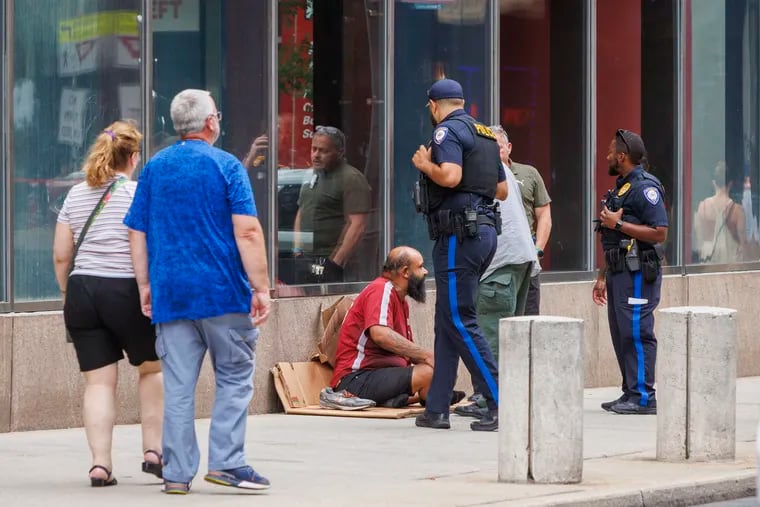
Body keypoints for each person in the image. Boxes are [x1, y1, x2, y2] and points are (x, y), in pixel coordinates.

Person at [124, 89, 272, 494]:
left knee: (178, 385)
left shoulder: (154, 167)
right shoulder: (226, 166)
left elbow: (136, 230)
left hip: (172, 294)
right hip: (223, 293)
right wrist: (261, 287)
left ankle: (176, 473)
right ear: (210, 122)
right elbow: (247, 230)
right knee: (235, 377)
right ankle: (227, 462)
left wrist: (145, 285)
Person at [52, 120, 163, 487]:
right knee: (151, 369)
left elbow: (61, 256)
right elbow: (149, 247)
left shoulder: (75, 195)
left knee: (99, 384)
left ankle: (100, 465)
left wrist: (69, 295)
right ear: (133, 158)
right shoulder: (137, 193)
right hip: (126, 289)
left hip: (82, 291)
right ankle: (154, 451)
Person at [411, 78, 506, 432]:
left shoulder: (446, 132)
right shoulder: (484, 134)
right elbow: (502, 190)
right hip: (482, 233)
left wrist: (426, 165)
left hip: (458, 236)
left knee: (460, 318)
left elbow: (449, 176)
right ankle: (437, 408)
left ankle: (499, 401)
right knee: (447, 320)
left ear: (434, 106)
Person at [455, 125, 539, 419]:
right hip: (521, 264)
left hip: (499, 267)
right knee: (509, 337)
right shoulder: (504, 170)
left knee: (490, 337)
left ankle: (488, 401)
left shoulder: (481, 169)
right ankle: (508, 397)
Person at [592, 129, 668, 415]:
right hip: (618, 272)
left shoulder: (645, 187)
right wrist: (602, 275)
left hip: (638, 273)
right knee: (621, 333)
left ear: (622, 156)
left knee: (637, 332)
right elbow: (612, 236)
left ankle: (644, 397)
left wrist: (619, 225)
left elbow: (659, 232)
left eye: (611, 152)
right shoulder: (622, 187)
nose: (608, 156)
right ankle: (630, 392)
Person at [329, 247, 438, 408]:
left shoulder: (400, 300)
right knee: (431, 372)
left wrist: (435, 360)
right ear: (406, 271)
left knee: (441, 368)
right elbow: (380, 334)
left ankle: (412, 397)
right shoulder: (381, 289)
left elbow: (406, 352)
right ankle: (427, 396)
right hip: (356, 380)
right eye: (421, 266)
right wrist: (426, 356)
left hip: (378, 375)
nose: (425, 272)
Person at [292, 126, 371, 283]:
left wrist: (335, 262)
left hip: (331, 261)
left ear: (340, 152)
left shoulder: (351, 178)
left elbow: (357, 225)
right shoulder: (311, 175)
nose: (316, 155)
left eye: (323, 151)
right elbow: (302, 211)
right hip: (305, 258)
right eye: (314, 149)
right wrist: (297, 250)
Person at [499, 129, 552, 315]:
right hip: (498, 257)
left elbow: (544, 214)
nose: (496, 152)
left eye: (499, 147)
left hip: (527, 254)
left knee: (529, 316)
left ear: (509, 147)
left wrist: (538, 249)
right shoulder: (481, 176)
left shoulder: (528, 173)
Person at [694, 161, 745, 264]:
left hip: (707, 257)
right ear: (731, 183)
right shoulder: (737, 210)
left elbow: (698, 240)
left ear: (713, 182)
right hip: (729, 258)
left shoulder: (702, 207)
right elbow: (742, 245)